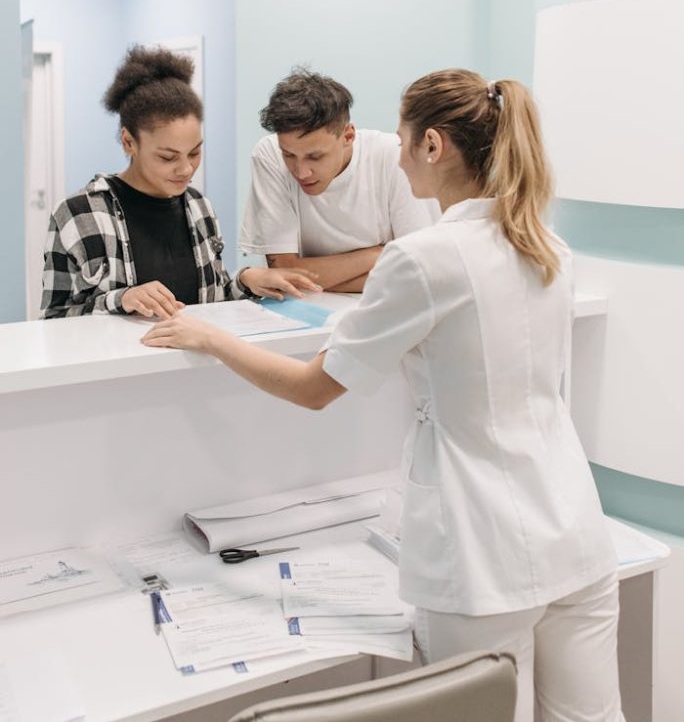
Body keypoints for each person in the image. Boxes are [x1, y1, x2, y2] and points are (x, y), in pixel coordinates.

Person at [143, 68, 623, 722]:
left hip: (483, 554)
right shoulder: (549, 249)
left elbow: (313, 389)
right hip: (575, 531)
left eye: (401, 142)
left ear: (432, 146)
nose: (393, 157)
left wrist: (207, 337)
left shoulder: (427, 258)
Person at [41, 46, 318, 319]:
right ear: (129, 142)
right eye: (167, 157)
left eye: (195, 152)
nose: (186, 169)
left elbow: (211, 299)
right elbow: (53, 320)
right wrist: (122, 299)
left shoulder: (199, 206)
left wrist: (244, 281)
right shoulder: (77, 215)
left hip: (193, 364)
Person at [240, 68, 438, 292]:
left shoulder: (393, 154)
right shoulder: (269, 154)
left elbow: (416, 269)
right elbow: (285, 271)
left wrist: (321, 280)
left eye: (315, 157)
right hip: (307, 315)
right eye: (289, 155)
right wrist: (380, 254)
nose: (301, 172)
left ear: (348, 136)